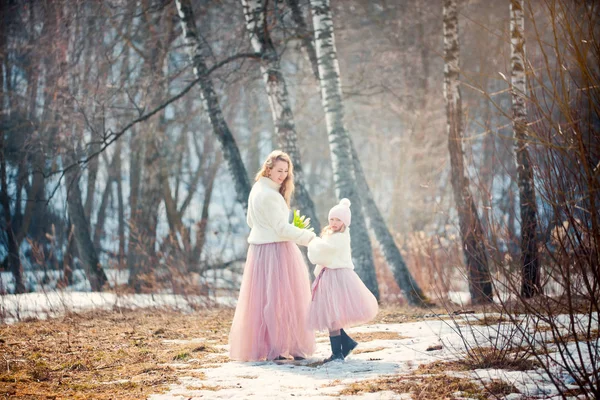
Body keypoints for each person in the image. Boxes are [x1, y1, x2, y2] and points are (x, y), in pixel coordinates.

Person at [229, 150, 316, 361]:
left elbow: (251, 221)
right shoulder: (269, 195)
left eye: (286, 171)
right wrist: (308, 237)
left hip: (259, 250)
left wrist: (266, 228)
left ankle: (272, 347)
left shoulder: (257, 189)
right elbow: (281, 229)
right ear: (268, 169)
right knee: (284, 300)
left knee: (265, 300)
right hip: (276, 251)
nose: (283, 175)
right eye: (279, 170)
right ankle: (280, 348)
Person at [307, 198, 379, 362]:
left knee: (332, 315)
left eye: (338, 219)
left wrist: (312, 242)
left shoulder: (340, 237)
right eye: (331, 219)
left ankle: (337, 353)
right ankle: (345, 344)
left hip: (337, 277)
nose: (333, 222)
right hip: (330, 276)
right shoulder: (331, 234)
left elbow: (324, 252)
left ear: (345, 222)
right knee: (332, 314)